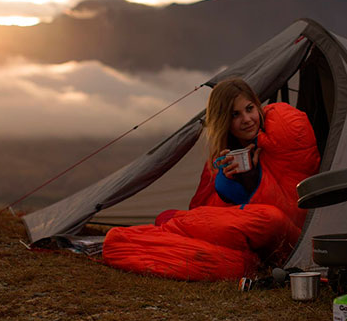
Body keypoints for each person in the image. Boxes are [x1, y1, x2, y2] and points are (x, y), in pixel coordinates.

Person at [102, 78, 320, 281]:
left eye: (249, 109)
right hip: (250, 241)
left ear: (257, 105)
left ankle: (148, 238)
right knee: (169, 217)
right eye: (235, 115)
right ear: (224, 121)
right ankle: (165, 235)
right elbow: (205, 211)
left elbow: (294, 207)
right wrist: (228, 188)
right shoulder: (225, 158)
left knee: (268, 218)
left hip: (292, 238)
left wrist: (254, 180)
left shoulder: (281, 131)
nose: (246, 120)